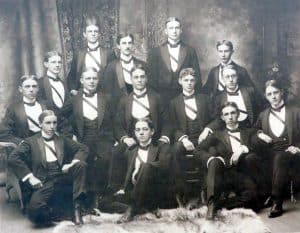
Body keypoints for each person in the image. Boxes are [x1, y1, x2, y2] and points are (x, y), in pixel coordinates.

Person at [8, 110, 88, 225]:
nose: (52, 127)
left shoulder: (61, 139)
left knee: (80, 165)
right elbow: (13, 158)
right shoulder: (30, 142)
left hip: (62, 176)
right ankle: (59, 212)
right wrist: (30, 177)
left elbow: (83, 148)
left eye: (54, 123)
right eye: (48, 123)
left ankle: (77, 210)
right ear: (40, 124)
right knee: (35, 212)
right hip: (44, 181)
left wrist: (72, 163)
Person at [110, 64, 170, 191]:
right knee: (116, 152)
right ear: (131, 79)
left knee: (167, 155)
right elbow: (117, 124)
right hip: (132, 139)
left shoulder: (157, 98)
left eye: (142, 77)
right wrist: (125, 138)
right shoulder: (125, 100)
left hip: (154, 138)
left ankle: (167, 193)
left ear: (146, 79)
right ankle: (117, 189)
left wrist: (164, 137)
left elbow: (168, 121)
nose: (139, 80)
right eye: (136, 77)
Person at [195, 102, 259, 220]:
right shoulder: (216, 135)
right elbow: (198, 150)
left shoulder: (248, 132)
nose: (230, 117)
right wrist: (210, 159)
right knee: (214, 162)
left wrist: (243, 148)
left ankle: (218, 206)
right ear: (222, 117)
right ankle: (212, 205)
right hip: (224, 174)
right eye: (226, 114)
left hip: (243, 175)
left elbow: (258, 144)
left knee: (253, 200)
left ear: (238, 114)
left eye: (233, 113)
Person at [63, 67, 114, 211]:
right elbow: (60, 117)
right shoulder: (74, 99)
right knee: (84, 161)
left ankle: (101, 198)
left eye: (94, 78)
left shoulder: (106, 98)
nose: (91, 81)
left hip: (103, 138)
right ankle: (86, 200)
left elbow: (115, 120)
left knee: (106, 159)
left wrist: (115, 138)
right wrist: (70, 135)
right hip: (83, 138)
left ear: (98, 80)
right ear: (81, 80)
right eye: (88, 78)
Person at [0, 75, 48, 208]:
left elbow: (58, 123)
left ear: (38, 89)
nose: (31, 89)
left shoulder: (44, 104)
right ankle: (31, 200)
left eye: (34, 86)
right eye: (27, 86)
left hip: (46, 142)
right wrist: (20, 142)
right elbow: (4, 132)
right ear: (21, 89)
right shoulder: (14, 108)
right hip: (27, 144)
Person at [169, 68, 214, 206]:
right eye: (186, 80)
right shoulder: (174, 102)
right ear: (180, 81)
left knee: (212, 151)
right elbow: (172, 126)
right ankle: (182, 192)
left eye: (192, 80)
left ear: (195, 82)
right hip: (185, 138)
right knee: (175, 151)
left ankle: (205, 191)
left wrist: (207, 129)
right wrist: (183, 138)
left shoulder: (205, 99)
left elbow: (217, 118)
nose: (189, 83)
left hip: (203, 138)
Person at [255, 79, 300, 218]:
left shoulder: (296, 112)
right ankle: (262, 196)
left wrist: (298, 147)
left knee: (280, 158)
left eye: (276, 92)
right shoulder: (263, 115)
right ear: (266, 96)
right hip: (270, 151)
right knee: (254, 159)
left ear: (281, 92)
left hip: (290, 151)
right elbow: (254, 131)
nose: (273, 97)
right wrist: (260, 134)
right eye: (269, 94)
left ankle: (277, 202)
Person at [116, 118, 171, 223]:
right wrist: (122, 188)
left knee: (146, 166)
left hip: (155, 190)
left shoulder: (162, 147)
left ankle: (132, 209)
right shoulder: (130, 150)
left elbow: (164, 166)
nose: (141, 133)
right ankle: (147, 207)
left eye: (145, 129)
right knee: (105, 202)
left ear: (152, 131)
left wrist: (143, 169)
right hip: (134, 189)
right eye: (138, 130)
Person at [148, 17, 201, 105]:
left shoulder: (190, 51)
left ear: (181, 30)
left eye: (177, 28)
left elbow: (197, 76)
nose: (174, 31)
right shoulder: (156, 52)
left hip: (184, 95)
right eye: (171, 28)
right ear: (166, 31)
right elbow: (152, 79)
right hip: (162, 97)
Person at [67, 15, 115, 95]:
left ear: (99, 33)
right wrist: (72, 90)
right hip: (84, 96)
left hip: (104, 96)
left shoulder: (109, 53)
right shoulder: (78, 55)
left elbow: (115, 77)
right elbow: (71, 76)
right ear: (84, 34)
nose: (93, 34)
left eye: (95, 31)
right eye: (90, 31)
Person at [103, 33, 146, 105]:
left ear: (132, 45)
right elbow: (108, 94)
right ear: (118, 46)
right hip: (119, 110)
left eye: (129, 43)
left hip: (139, 107)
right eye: (124, 43)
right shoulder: (111, 67)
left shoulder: (143, 65)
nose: (127, 46)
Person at [38, 51, 71, 137]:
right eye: (53, 62)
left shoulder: (64, 83)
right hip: (49, 129)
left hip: (66, 130)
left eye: (59, 62)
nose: (57, 65)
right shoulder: (40, 83)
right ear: (46, 64)